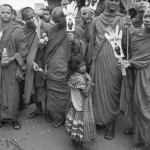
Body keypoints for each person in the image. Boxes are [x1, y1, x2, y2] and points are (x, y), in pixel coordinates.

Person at [87, 0, 129, 140]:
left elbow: (128, 44)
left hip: (115, 65)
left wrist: (129, 30)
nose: (113, 2)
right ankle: (100, 120)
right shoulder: (96, 20)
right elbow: (91, 41)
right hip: (98, 62)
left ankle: (110, 124)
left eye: (117, 0)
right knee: (97, 93)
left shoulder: (124, 20)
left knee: (112, 93)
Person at [44, 7, 86, 128]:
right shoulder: (52, 31)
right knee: (53, 95)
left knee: (69, 95)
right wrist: (46, 67)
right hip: (53, 69)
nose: (56, 23)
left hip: (68, 69)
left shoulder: (76, 29)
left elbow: (83, 48)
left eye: (59, 20)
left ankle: (68, 117)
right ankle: (59, 117)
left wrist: (74, 42)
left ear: (66, 17)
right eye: (54, 21)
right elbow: (48, 51)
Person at [119, 7, 150, 150]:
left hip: (147, 77)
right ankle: (140, 139)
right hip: (140, 75)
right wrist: (128, 28)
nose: (148, 20)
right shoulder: (140, 34)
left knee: (146, 109)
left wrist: (131, 62)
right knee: (139, 106)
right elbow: (132, 49)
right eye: (146, 17)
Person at [0, 4, 28, 130]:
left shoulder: (18, 30)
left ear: (12, 15)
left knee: (13, 93)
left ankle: (13, 118)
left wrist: (11, 59)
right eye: (2, 12)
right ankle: (2, 117)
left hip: (11, 67)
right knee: (1, 92)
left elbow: (23, 49)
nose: (5, 14)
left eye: (7, 12)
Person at [22, 7, 52, 122]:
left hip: (46, 60)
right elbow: (23, 49)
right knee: (36, 86)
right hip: (33, 62)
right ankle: (39, 109)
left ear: (36, 14)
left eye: (32, 16)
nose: (31, 20)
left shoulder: (47, 27)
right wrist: (31, 61)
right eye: (27, 18)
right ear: (24, 19)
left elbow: (53, 45)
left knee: (47, 86)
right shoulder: (24, 31)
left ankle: (48, 111)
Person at [65, 54, 96, 149]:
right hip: (81, 107)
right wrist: (90, 81)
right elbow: (86, 93)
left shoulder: (73, 76)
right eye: (82, 66)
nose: (85, 68)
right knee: (80, 127)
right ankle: (79, 145)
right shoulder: (80, 78)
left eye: (85, 65)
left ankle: (74, 142)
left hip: (74, 104)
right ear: (75, 66)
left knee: (75, 125)